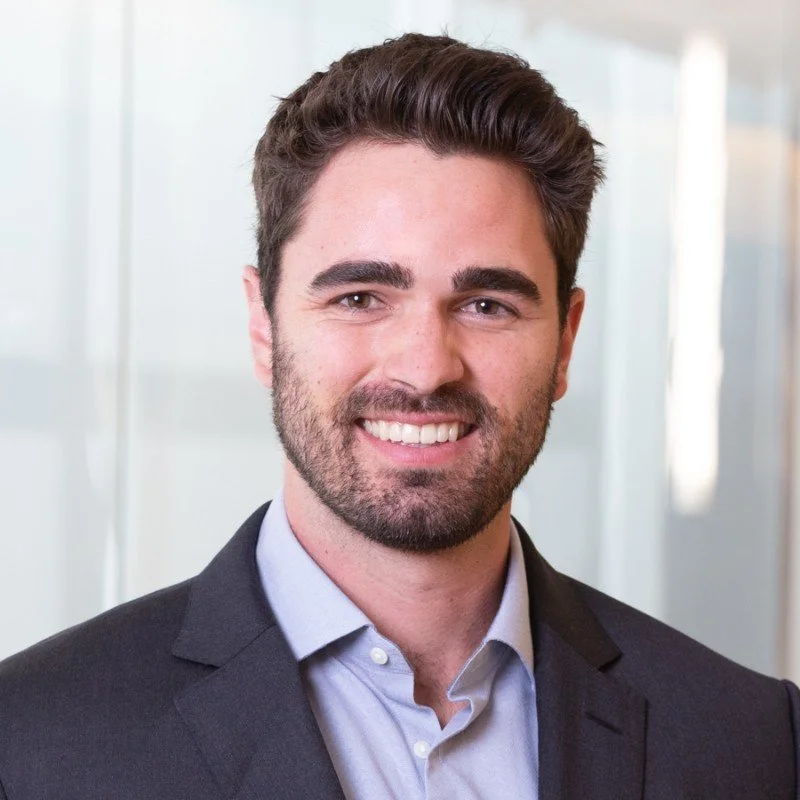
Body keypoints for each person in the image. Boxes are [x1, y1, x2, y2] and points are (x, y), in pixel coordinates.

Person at [0, 32, 797, 800]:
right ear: (263, 327)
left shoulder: (754, 743)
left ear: (565, 342)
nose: (424, 368)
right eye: (360, 298)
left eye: (487, 304)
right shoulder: (30, 744)